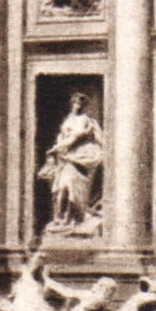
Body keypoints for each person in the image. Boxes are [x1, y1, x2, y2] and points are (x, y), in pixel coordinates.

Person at [38, 93, 104, 233]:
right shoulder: (67, 120)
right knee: (61, 188)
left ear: (84, 106)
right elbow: (62, 137)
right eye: (75, 103)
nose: (77, 106)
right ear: (71, 104)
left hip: (81, 158)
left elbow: (94, 138)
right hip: (66, 157)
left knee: (71, 189)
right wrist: (57, 150)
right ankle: (61, 219)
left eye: (80, 104)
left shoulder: (88, 121)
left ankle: (73, 219)